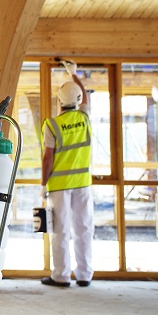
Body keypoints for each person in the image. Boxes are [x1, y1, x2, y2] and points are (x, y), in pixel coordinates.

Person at [40, 61, 93, 288]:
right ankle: (84, 275)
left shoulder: (52, 125)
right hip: (82, 184)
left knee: (60, 231)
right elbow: (86, 99)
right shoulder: (84, 117)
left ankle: (61, 276)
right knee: (83, 229)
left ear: (59, 101)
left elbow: (47, 158)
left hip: (59, 186)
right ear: (79, 100)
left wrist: (43, 184)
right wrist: (74, 74)